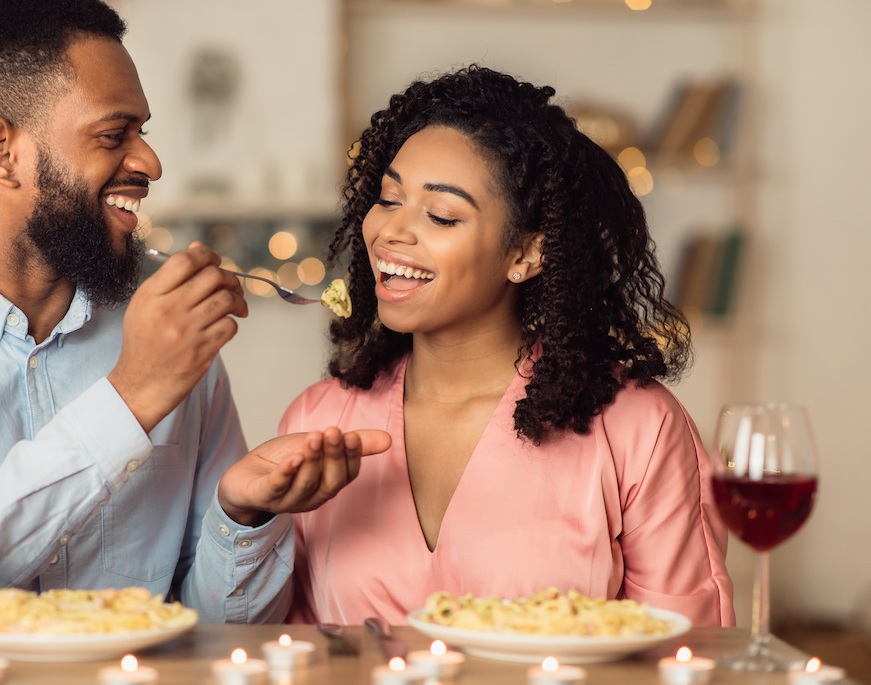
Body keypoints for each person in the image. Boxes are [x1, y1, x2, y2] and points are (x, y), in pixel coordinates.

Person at [0, 0, 389, 634]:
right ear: (2, 153)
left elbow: (215, 634)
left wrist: (243, 518)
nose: (149, 162)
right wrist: (128, 400)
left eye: (141, 132)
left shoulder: (168, 328)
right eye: (114, 134)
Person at [282, 65, 735, 627]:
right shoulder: (319, 419)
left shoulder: (638, 428)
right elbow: (292, 647)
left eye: (442, 215)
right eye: (389, 198)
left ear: (526, 254)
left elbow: (685, 654)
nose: (390, 232)